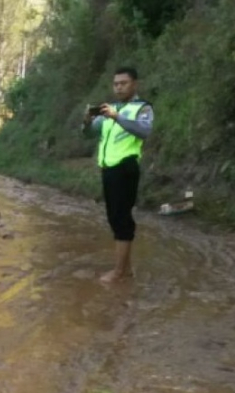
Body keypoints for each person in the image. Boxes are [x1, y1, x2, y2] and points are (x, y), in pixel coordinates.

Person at [84, 66, 154, 283]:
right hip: (109, 169)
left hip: (126, 167)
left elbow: (144, 131)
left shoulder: (143, 108)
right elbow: (89, 133)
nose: (119, 87)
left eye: (123, 83)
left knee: (121, 219)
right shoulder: (109, 109)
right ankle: (127, 269)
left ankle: (118, 272)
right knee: (115, 218)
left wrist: (117, 117)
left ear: (134, 84)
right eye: (116, 84)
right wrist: (86, 121)